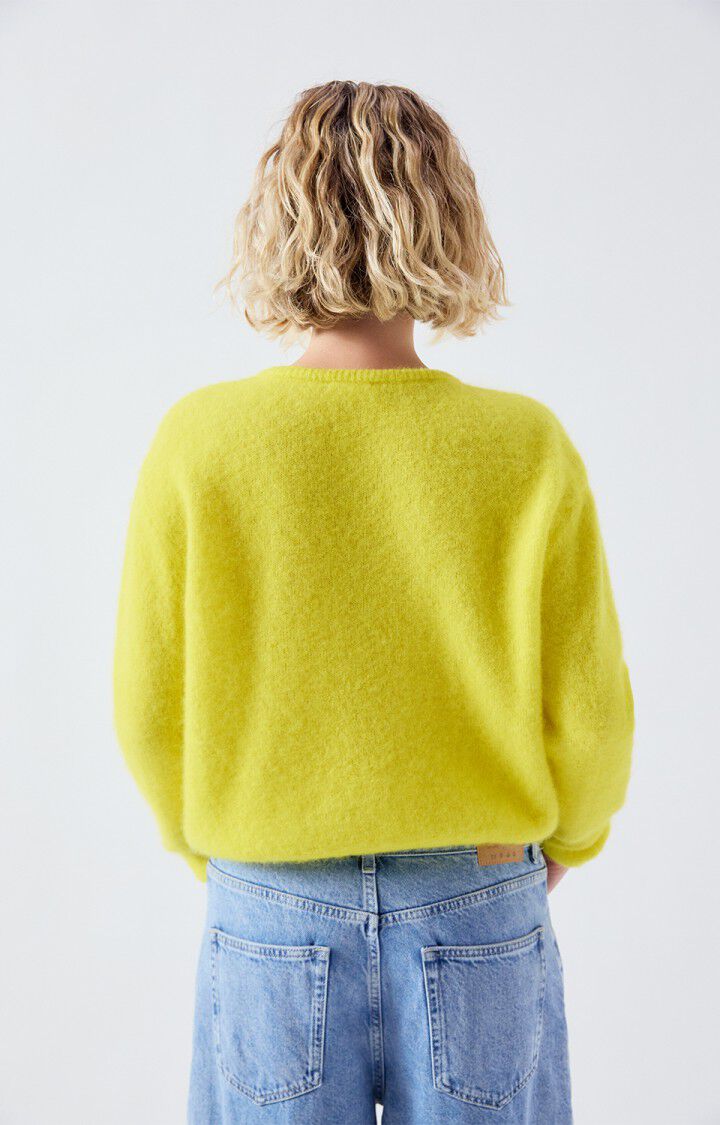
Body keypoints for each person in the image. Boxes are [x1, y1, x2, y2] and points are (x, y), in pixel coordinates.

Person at [113, 80, 634, 1124]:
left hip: (269, 892)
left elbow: (147, 706)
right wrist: (571, 842)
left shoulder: (200, 443)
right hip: (480, 889)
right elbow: (589, 710)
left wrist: (216, 845)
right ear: (450, 221)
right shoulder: (524, 446)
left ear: (277, 223)